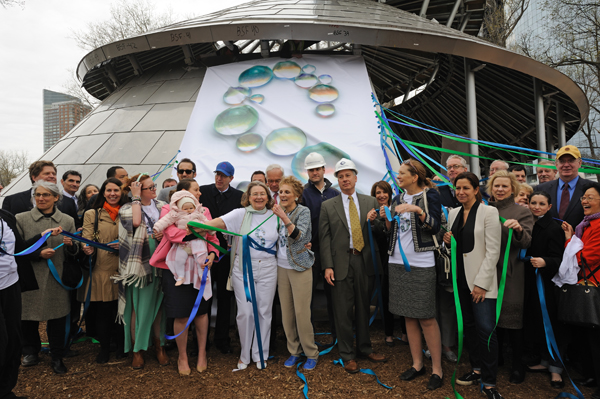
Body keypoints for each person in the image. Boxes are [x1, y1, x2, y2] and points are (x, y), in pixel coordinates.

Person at [198, 181, 278, 370]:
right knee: (245, 313)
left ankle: (261, 354)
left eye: (262, 193)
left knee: (264, 312)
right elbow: (215, 223)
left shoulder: (275, 216)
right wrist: (191, 225)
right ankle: (245, 354)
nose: (258, 197)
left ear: (267, 197)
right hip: (242, 269)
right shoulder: (239, 214)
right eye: (254, 194)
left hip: (268, 269)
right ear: (248, 197)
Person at [320, 158, 386, 374]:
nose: (344, 179)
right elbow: (324, 238)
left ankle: (365, 348)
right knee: (342, 310)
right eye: (340, 176)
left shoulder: (370, 202)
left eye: (348, 175)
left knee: (364, 305)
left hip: (364, 260)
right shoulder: (328, 206)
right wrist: (327, 266)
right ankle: (347, 354)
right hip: (340, 263)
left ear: (356, 178)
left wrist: (374, 221)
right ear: (337, 181)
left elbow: (379, 233)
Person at [382, 159, 443, 390]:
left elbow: (436, 227)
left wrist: (418, 210)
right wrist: (386, 219)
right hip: (396, 260)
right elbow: (393, 230)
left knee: (426, 316)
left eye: (402, 173)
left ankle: (437, 368)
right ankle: (418, 364)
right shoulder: (397, 198)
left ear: (414, 176)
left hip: (421, 261)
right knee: (407, 314)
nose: (398, 177)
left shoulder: (430, 196)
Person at [442, 172, 503, 399]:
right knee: (469, 327)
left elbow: (493, 251)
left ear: (476, 189)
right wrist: (449, 242)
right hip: (460, 281)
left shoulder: (489, 212)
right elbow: (455, 249)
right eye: (458, 188)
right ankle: (476, 369)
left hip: (481, 284)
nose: (461, 192)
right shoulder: (454, 213)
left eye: (466, 188)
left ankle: (489, 382)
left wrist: (481, 284)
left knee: (486, 330)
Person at [150, 179, 219, 375]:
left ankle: (202, 353)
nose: (199, 193)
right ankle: (182, 356)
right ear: (183, 192)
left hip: (201, 266)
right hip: (175, 269)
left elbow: (213, 236)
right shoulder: (169, 211)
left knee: (201, 312)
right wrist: (196, 231)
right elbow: (171, 233)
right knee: (181, 313)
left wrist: (212, 254)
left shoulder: (204, 212)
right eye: (196, 190)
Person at [16, 181, 79, 375]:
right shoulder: (21, 219)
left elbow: (75, 251)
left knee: (58, 318)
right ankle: (30, 352)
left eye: (46, 195)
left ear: (56, 198)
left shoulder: (67, 220)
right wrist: (38, 254)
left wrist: (71, 246)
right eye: (38, 195)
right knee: (27, 317)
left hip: (57, 277)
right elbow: (17, 250)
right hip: (30, 276)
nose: (41, 198)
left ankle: (57, 355)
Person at [116, 174, 168, 370]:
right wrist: (136, 197)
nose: (154, 190)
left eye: (154, 186)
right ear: (138, 190)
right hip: (140, 264)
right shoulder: (128, 208)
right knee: (139, 307)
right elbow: (136, 222)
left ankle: (159, 345)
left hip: (162, 259)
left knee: (159, 306)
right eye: (149, 188)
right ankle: (137, 350)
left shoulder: (162, 205)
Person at [487, 170, 533, 384]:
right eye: (497, 186)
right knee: (491, 320)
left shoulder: (521, 212)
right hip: (487, 271)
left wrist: (518, 230)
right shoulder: (483, 210)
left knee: (512, 321)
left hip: (511, 272)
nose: (500, 189)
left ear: (513, 189)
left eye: (505, 186)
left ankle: (517, 364)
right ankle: (497, 359)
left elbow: (526, 242)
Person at [0, 207, 52, 398]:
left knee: (13, 340)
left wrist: (41, 236)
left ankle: (5, 390)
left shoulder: (5, 217)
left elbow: (19, 248)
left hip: (10, 284)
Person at [272, 176, 319, 371]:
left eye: (287, 192)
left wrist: (283, 217)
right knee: (287, 313)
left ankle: (311, 353)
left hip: (300, 266)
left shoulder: (303, 211)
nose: (282, 195)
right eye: (281, 192)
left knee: (301, 313)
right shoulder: (273, 212)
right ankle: (294, 351)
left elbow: (300, 236)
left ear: (296, 195)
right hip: (281, 267)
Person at [199, 161, 244, 354]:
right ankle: (200, 342)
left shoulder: (239, 197)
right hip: (204, 254)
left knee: (226, 297)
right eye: (217, 174)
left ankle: (222, 339)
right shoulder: (203, 192)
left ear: (231, 179)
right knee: (203, 297)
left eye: (224, 175)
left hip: (226, 255)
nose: (219, 178)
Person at [522, 191, 565, 389]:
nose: (536, 206)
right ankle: (544, 360)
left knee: (550, 324)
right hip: (530, 281)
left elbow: (560, 258)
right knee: (536, 322)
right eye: (533, 203)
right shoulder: (529, 224)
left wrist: (546, 261)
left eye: (541, 203)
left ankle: (556, 370)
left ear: (549, 206)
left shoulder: (553, 228)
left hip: (546, 283)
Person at [561, 182, 600, 399]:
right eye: (583, 197)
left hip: (595, 284)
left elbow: (584, 258)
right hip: (586, 283)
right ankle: (591, 375)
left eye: (590, 197)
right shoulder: (584, 225)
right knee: (587, 335)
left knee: (595, 338)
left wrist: (568, 242)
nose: (584, 200)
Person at [80, 177, 125, 364]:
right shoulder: (92, 214)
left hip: (124, 269)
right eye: (108, 190)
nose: (112, 194)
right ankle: (105, 348)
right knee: (104, 312)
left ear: (122, 192)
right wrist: (86, 247)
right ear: (103, 193)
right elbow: (86, 237)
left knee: (122, 312)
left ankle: (122, 347)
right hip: (102, 269)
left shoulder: (129, 212)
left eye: (116, 190)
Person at [300, 152, 340, 344]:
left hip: (332, 254)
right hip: (311, 253)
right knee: (307, 297)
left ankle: (337, 335)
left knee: (334, 296)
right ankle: (308, 338)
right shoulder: (303, 194)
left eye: (317, 169)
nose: (314, 172)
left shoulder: (335, 194)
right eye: (311, 170)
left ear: (324, 170)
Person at [370, 181, 407, 347]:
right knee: (385, 295)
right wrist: (373, 220)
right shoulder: (372, 213)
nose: (381, 195)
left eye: (384, 192)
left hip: (398, 258)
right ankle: (389, 333)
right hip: (381, 260)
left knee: (402, 295)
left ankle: (406, 332)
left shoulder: (397, 210)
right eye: (378, 192)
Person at [152, 191, 209, 286]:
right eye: (185, 208)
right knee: (179, 259)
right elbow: (165, 221)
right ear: (180, 208)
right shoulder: (176, 215)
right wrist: (157, 227)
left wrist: (211, 230)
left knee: (201, 259)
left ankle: (201, 274)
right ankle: (180, 276)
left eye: (191, 208)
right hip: (183, 244)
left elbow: (207, 222)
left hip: (197, 242)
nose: (189, 210)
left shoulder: (198, 214)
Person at [2, 161, 78, 225]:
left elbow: (75, 226)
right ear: (34, 177)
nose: (52, 176)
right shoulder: (11, 201)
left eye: (54, 174)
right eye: (47, 173)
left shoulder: (68, 202)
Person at [537, 145, 593, 230]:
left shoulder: (593, 188)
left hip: (582, 241)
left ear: (579, 163)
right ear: (556, 164)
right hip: (549, 242)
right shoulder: (541, 189)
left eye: (571, 160)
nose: (566, 165)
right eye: (562, 161)